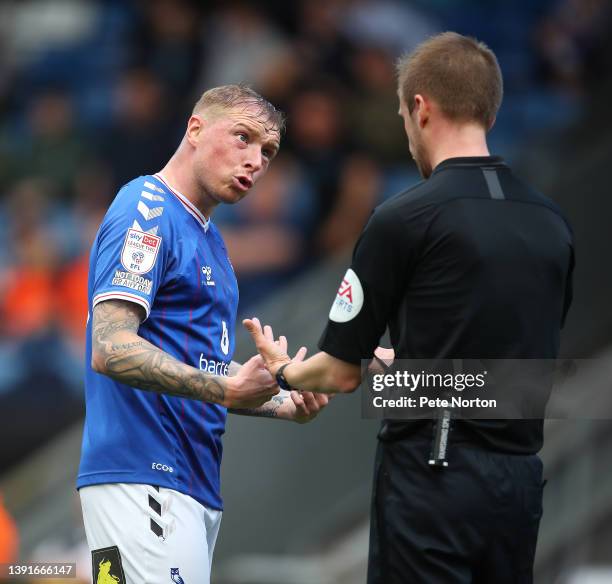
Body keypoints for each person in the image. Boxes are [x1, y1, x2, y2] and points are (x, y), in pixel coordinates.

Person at [244, 33, 575, 583]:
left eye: (401, 115)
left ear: (420, 108)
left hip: (434, 478)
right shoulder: (552, 223)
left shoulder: (405, 218)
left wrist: (282, 369)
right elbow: (516, 375)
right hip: (519, 489)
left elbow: (338, 373)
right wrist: (410, 368)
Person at [76, 85, 329, 584]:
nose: (255, 160)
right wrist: (228, 388)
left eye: (268, 152)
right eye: (243, 137)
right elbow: (110, 347)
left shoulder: (210, 240)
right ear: (194, 129)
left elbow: (202, 369)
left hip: (185, 488)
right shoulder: (146, 208)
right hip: (143, 481)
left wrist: (280, 396)